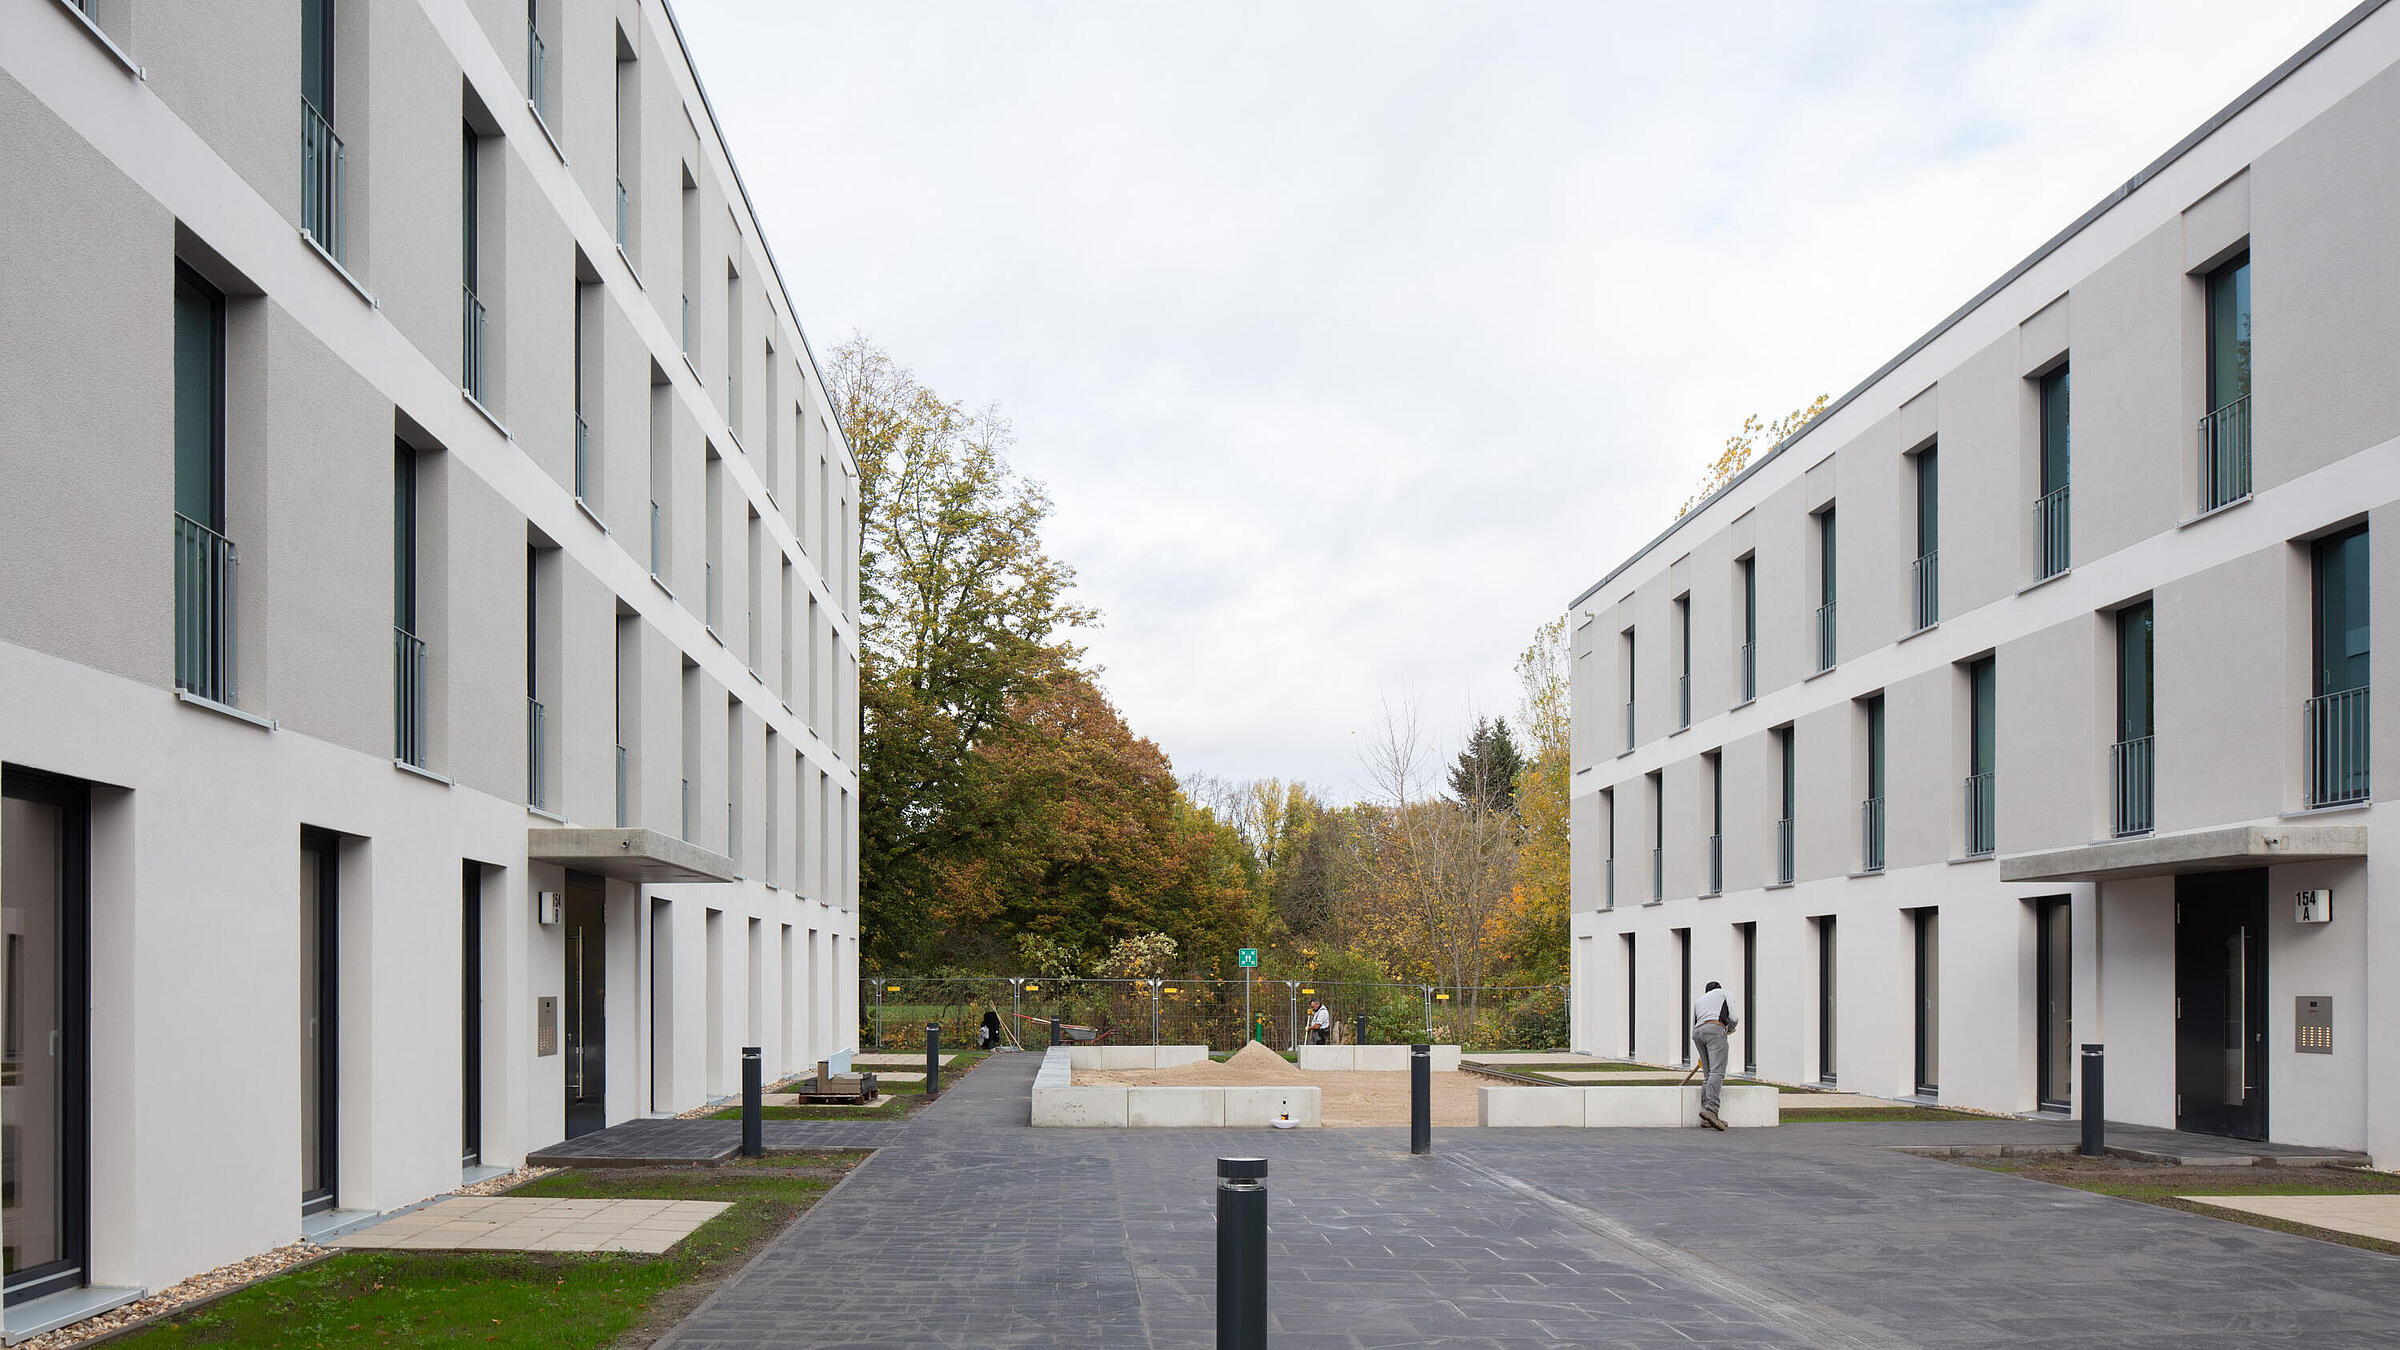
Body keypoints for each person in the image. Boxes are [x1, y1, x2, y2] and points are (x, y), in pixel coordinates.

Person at [1690, 980, 1738, 1131]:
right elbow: (1734, 1017)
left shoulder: (1699, 1000)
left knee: (1708, 1074)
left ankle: (1706, 1116)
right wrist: (1729, 1030)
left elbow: (1694, 1024)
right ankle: (1712, 1110)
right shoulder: (1725, 993)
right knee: (1717, 1072)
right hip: (1715, 1029)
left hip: (1698, 1033)